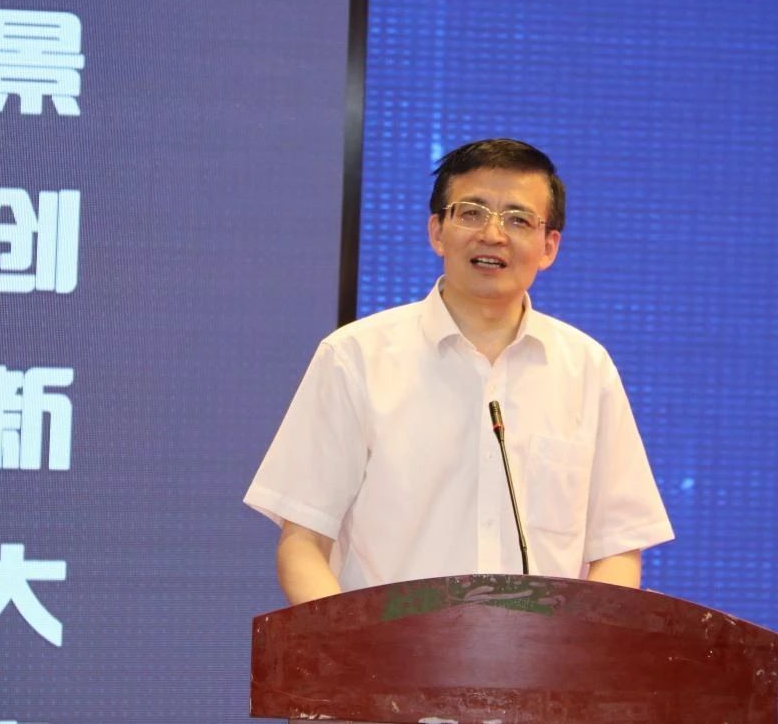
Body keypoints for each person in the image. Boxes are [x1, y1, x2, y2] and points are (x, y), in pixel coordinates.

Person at [244, 138, 673, 605]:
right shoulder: (355, 357)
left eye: (518, 219)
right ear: (437, 231)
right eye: (472, 213)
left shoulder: (586, 368)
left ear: (549, 247)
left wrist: (583, 643)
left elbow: (617, 548)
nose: (493, 234)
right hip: (385, 650)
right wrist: (349, 647)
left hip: (543, 653)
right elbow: (303, 544)